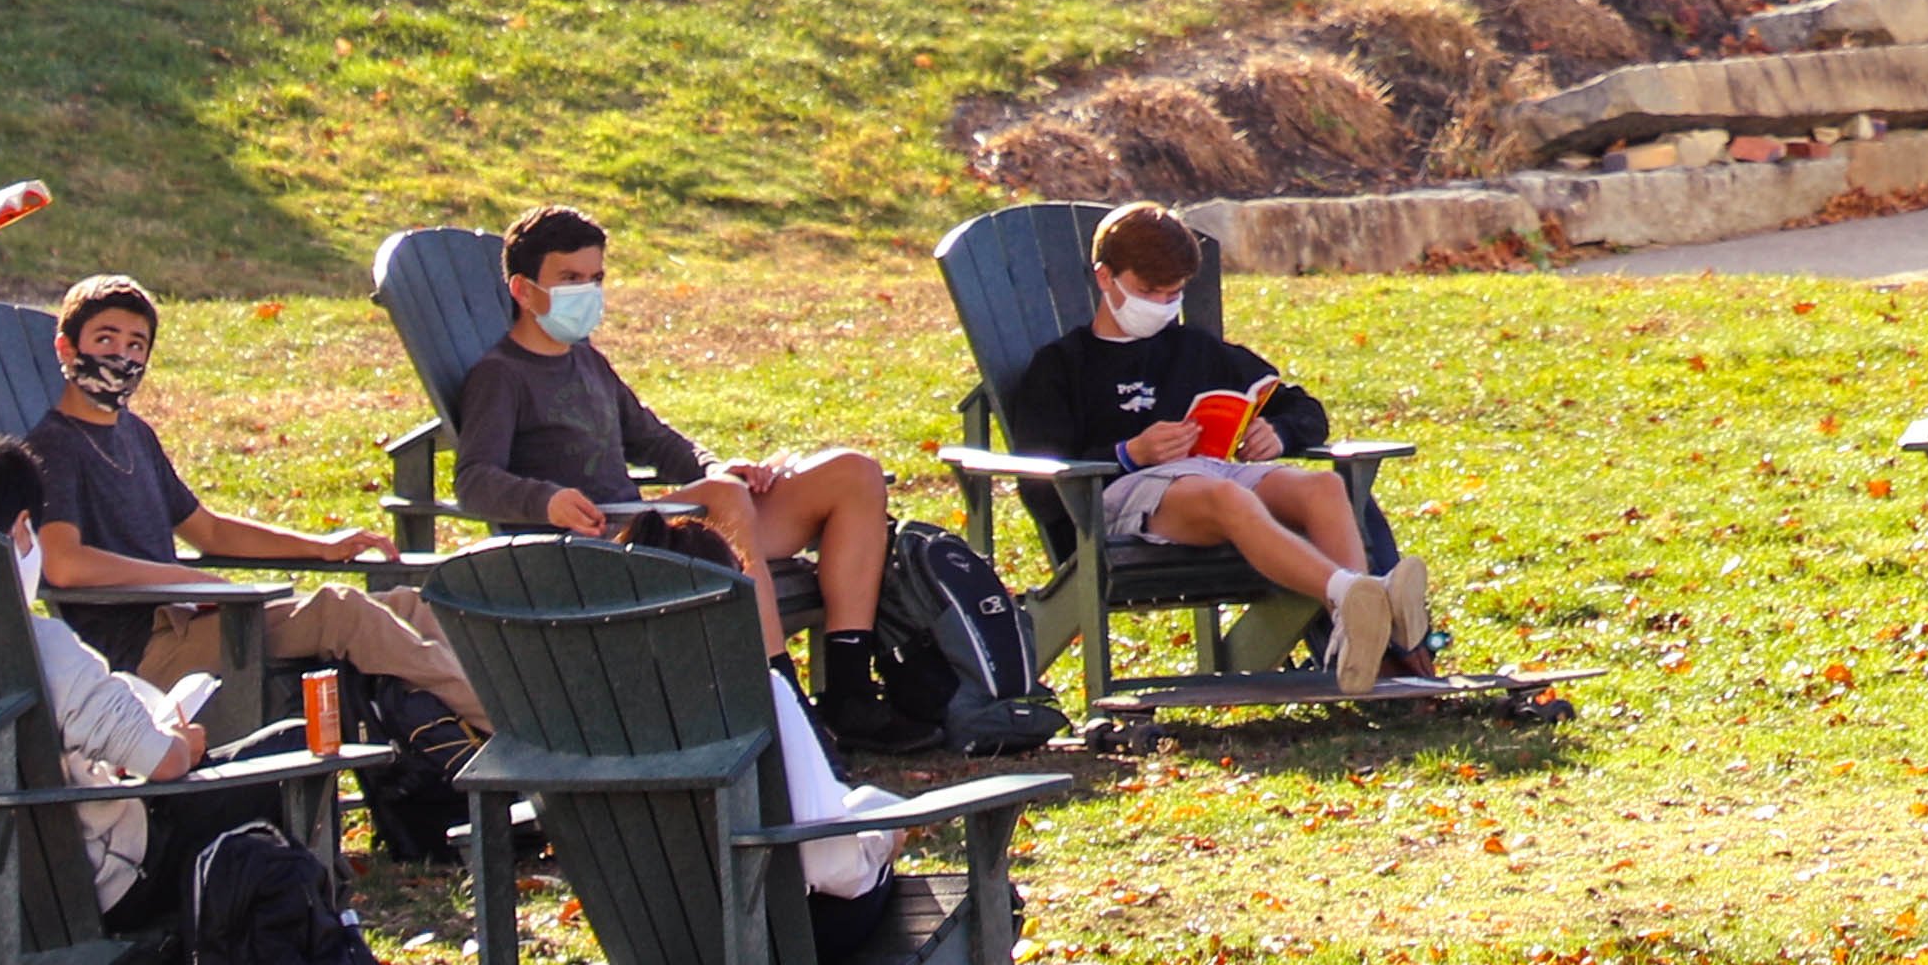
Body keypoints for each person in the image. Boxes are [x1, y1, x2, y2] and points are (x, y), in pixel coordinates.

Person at [449, 205, 911, 729]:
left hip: (646, 531)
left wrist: (719, 465)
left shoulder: (586, 360)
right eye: (570, 279)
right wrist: (546, 500)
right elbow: (473, 479)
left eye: (596, 278)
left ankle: (850, 692)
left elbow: (652, 438)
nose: (587, 292)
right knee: (722, 499)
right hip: (596, 550)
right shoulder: (501, 375)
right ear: (523, 290)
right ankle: (781, 697)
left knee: (852, 472)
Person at [997, 203, 1440, 706]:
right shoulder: (1061, 367)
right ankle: (1357, 595)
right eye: (1149, 292)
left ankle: (1362, 624)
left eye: (1175, 294)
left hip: (1213, 473)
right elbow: (1040, 484)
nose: (1164, 305)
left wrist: (1279, 431)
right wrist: (1129, 452)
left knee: (1323, 486)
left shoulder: (1195, 350)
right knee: (1225, 495)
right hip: (1115, 499)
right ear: (1105, 277)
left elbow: (1304, 407)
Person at [19, 277, 484, 731]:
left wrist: (318, 547)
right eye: (105, 338)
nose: (122, 355)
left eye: (137, 345)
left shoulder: (134, 435)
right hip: (145, 649)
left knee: (408, 605)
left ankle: (481, 729)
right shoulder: (53, 447)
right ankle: (512, 735)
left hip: (195, 621)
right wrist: (182, 578)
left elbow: (211, 531)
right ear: (67, 348)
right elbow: (62, 563)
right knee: (341, 612)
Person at [0, 444, 244, 921]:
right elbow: (163, 764)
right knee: (266, 769)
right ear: (22, 530)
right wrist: (184, 744)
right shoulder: (43, 648)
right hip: (99, 887)